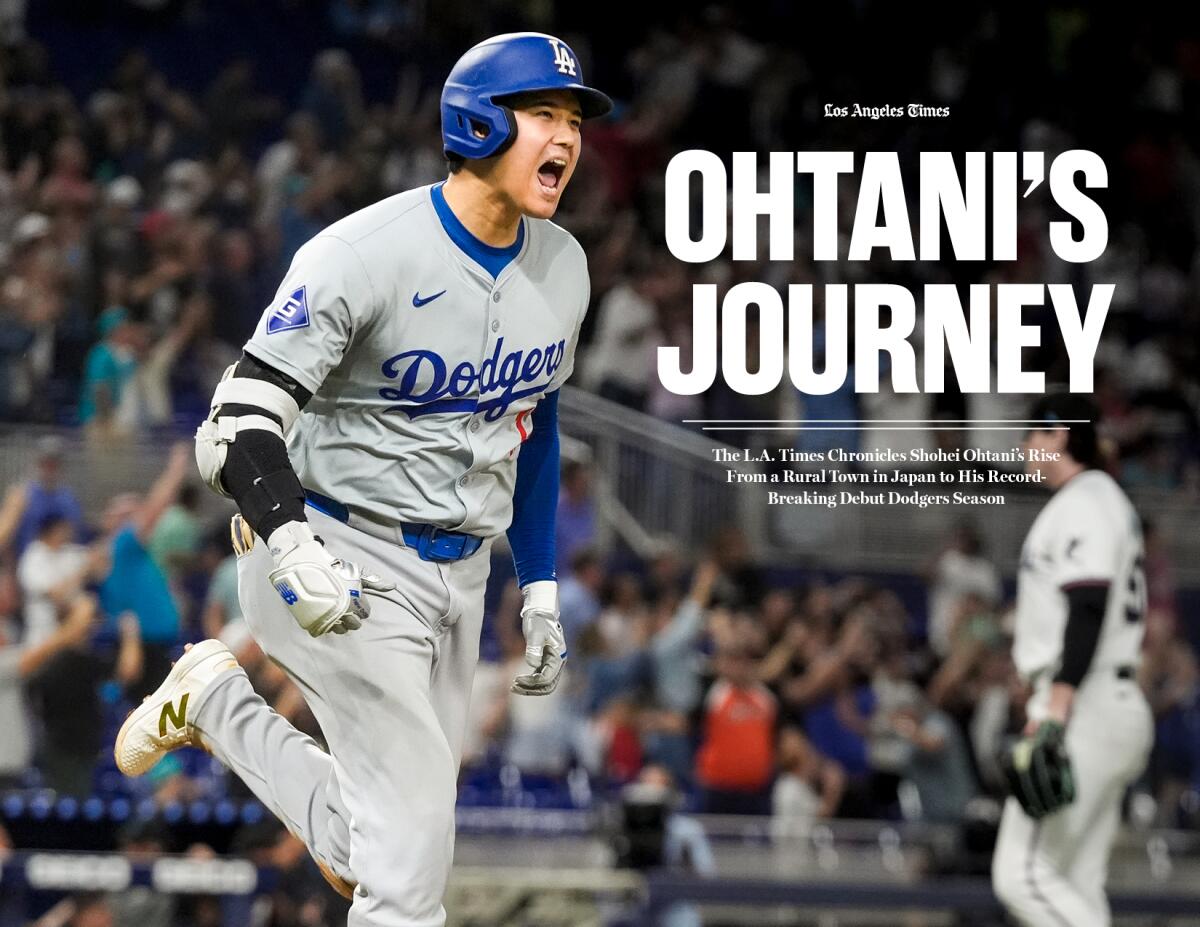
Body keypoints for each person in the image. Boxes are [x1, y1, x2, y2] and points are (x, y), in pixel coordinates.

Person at [115, 32, 610, 927]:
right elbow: (239, 417)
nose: (566, 137)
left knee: (369, 847)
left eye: (573, 118)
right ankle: (223, 694)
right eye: (543, 114)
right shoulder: (364, 251)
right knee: (410, 882)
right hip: (335, 551)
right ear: (479, 122)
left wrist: (537, 584)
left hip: (460, 575)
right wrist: (290, 535)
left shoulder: (564, 266)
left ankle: (219, 701)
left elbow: (533, 424)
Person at [991, 395, 1154, 926]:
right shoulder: (1102, 501)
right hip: (1109, 699)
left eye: (1032, 434)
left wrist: (1058, 704)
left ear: (1060, 434)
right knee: (1073, 881)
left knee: (1021, 873)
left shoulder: (1086, 500)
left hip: (1085, 704)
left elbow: (1088, 603)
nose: (1023, 446)